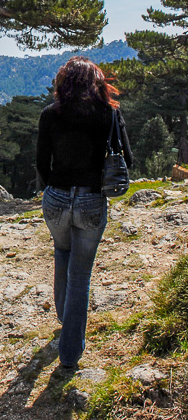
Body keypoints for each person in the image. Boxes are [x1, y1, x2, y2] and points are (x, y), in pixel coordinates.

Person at [37, 56, 131, 376]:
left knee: (61, 251)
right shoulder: (109, 114)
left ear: (64, 82)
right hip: (92, 200)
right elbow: (126, 158)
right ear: (97, 83)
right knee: (81, 274)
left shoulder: (50, 114)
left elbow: (41, 163)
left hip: (56, 199)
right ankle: (70, 353)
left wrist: (57, 189)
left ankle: (65, 319)